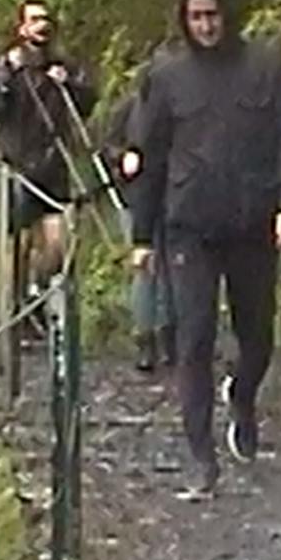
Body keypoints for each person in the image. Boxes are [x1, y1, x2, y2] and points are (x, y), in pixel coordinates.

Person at [130, 0, 281, 499]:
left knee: (258, 335)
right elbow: (151, 158)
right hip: (189, 228)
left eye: (212, 15)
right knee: (194, 338)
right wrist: (142, 237)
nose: (206, 25)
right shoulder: (166, 77)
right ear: (184, 21)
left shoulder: (265, 65)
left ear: (228, 14)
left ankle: (243, 394)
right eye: (196, 17)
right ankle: (201, 460)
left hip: (253, 223)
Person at [0, 0, 97, 290]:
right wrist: (7, 72)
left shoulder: (64, 65)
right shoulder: (8, 64)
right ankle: (16, 308)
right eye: (34, 19)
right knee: (18, 243)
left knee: (59, 245)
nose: (41, 25)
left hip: (54, 165)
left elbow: (87, 103)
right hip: (18, 166)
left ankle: (40, 292)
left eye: (45, 19)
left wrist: (69, 83)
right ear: (22, 27)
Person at [104, 67, 175, 373]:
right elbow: (107, 146)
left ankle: (170, 333)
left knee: (173, 266)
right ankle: (145, 337)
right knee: (144, 267)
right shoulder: (129, 108)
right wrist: (124, 157)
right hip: (136, 197)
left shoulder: (181, 111)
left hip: (174, 197)